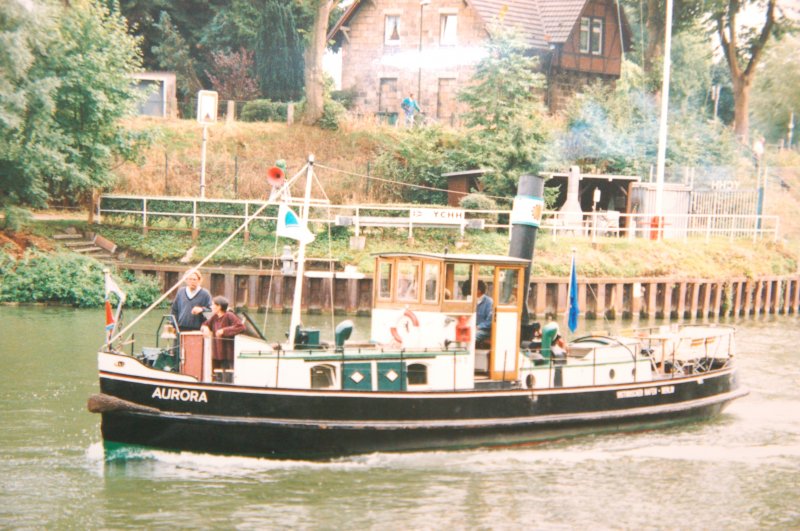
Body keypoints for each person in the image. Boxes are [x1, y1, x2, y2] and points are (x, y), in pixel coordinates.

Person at [201, 296, 245, 381]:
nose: (211, 307)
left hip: (228, 353)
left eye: (213, 305)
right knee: (217, 374)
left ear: (219, 307)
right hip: (217, 353)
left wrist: (224, 331)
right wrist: (205, 328)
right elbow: (205, 324)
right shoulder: (215, 317)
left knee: (227, 375)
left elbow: (241, 327)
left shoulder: (229, 315)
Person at [475, 280, 493, 346]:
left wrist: (478, 327)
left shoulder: (489, 302)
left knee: (472, 336)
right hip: (474, 327)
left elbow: (490, 321)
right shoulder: (472, 300)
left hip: (485, 330)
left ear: (478, 290)